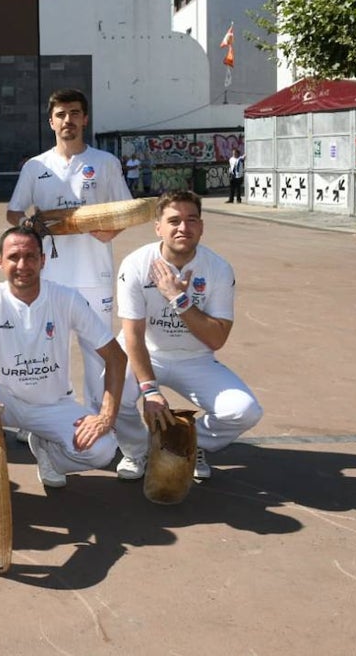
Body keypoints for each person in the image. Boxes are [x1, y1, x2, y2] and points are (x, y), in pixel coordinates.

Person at [0, 224, 127, 496]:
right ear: (0, 262)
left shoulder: (66, 298)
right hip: (3, 401)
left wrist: (106, 416)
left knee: (103, 449)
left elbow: (116, 357)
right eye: (14, 257)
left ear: (42, 260)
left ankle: (48, 450)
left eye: (30, 256)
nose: (22, 264)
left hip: (52, 404)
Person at [111, 191, 263, 481]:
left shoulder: (218, 268)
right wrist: (150, 390)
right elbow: (133, 335)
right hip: (147, 351)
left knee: (245, 410)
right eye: (174, 220)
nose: (184, 228)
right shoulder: (136, 264)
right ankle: (136, 451)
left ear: (202, 227)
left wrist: (178, 299)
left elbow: (216, 339)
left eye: (191, 220)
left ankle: (189, 442)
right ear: (158, 227)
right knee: (109, 394)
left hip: (195, 358)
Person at [6, 89, 131, 434]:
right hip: (49, 278)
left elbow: (126, 210)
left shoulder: (105, 163)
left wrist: (111, 232)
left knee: (97, 354)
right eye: (61, 115)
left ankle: (99, 423)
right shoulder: (36, 166)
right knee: (48, 354)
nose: (68, 121)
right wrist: (27, 225)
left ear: (85, 118)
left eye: (75, 114)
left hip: (94, 274)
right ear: (51, 121)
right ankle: (44, 428)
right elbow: (14, 211)